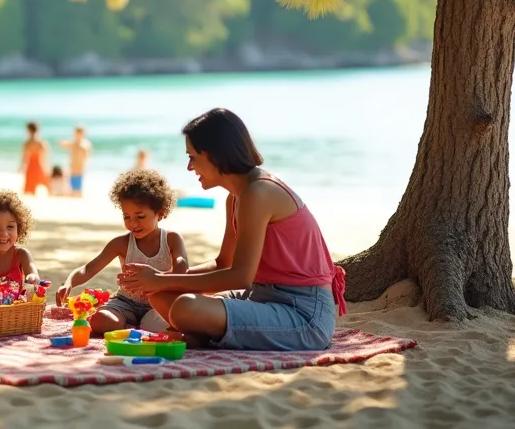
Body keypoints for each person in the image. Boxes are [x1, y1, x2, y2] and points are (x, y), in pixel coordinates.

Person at [118, 108, 347, 351]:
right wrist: (157, 281)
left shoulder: (259, 193)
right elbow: (224, 264)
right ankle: (200, 336)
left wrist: (160, 280)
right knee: (160, 296)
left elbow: (239, 277)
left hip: (303, 314)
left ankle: (199, 335)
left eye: (192, 156)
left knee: (185, 307)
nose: (189, 167)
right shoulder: (236, 197)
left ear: (215, 155)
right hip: (260, 297)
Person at [56, 169, 188, 334]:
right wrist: (68, 283)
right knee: (100, 321)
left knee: (160, 326)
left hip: (158, 303)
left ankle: (137, 326)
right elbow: (88, 269)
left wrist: (157, 278)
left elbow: (182, 269)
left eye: (140, 217)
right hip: (125, 302)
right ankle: (128, 324)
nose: (133, 223)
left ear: (160, 214)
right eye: (126, 216)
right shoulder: (122, 243)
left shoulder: (172, 239)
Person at [58, 126, 93, 197]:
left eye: (79, 133)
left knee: (78, 188)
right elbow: (64, 144)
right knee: (72, 188)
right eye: (76, 133)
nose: (78, 135)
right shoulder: (73, 143)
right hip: (72, 168)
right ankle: (75, 196)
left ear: (83, 134)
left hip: (80, 168)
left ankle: (79, 196)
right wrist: (61, 142)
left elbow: (87, 157)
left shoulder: (85, 144)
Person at [18, 121, 50, 196]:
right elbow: (45, 157)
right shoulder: (41, 143)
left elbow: (24, 158)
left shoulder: (27, 143)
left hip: (30, 166)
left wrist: (20, 167)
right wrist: (47, 168)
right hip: (39, 166)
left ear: (28, 130)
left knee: (30, 189)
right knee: (46, 184)